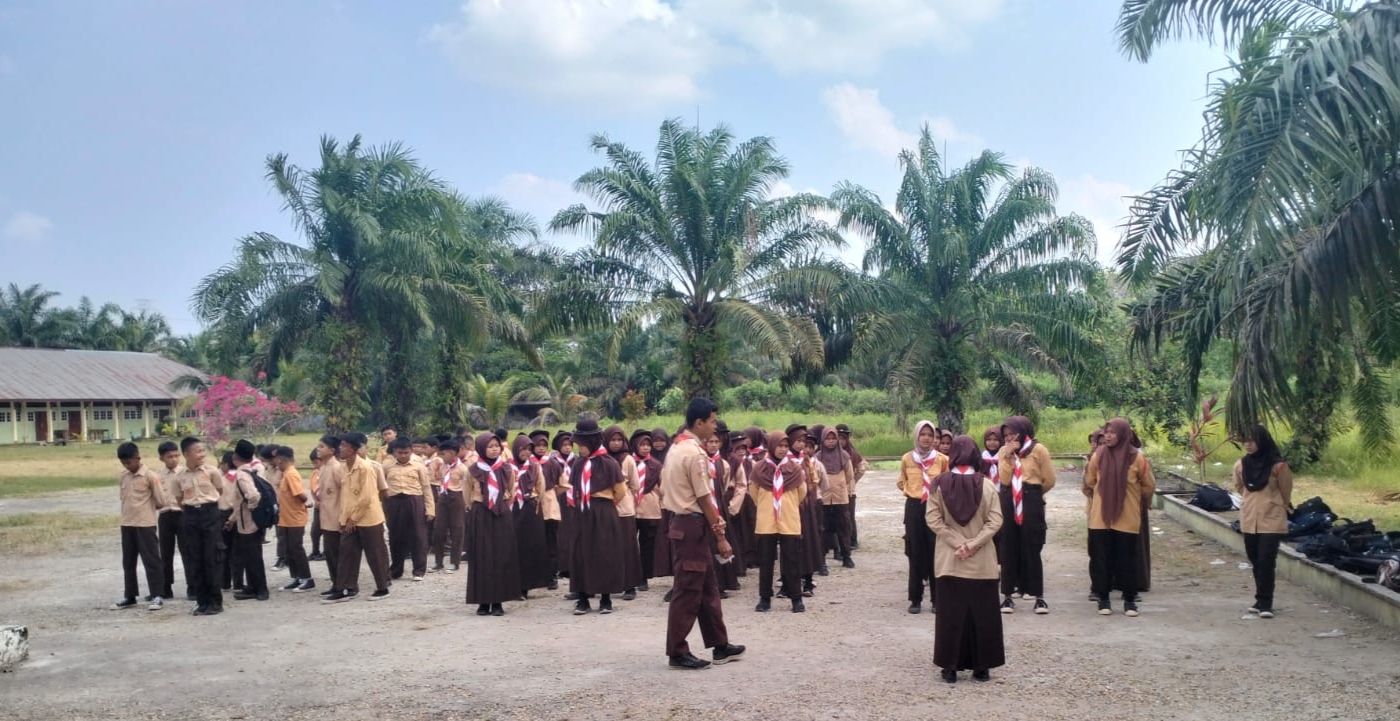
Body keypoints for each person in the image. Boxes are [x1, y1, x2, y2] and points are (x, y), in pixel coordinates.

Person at [663, 397, 745, 669]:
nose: (714, 426)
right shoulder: (695, 454)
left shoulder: (676, 447)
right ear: (699, 423)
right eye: (711, 421)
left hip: (686, 525)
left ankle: (720, 645)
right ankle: (677, 651)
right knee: (688, 591)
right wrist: (720, 536)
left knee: (708, 588)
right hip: (691, 525)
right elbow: (704, 498)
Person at [926, 436, 1005, 683]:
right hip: (981, 561)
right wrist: (972, 544)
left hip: (950, 560)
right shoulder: (987, 485)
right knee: (983, 615)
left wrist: (957, 543)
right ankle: (982, 667)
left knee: (950, 616)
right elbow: (996, 520)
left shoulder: (939, 485)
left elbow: (933, 519)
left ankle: (950, 666)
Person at [1083, 418, 1155, 617]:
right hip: (1100, 518)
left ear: (1123, 434)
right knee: (1101, 560)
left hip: (1126, 518)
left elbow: (1148, 485)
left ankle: (1130, 601)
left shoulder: (1136, 458)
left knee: (1127, 560)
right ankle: (1103, 599)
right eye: (1106, 432)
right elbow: (1090, 480)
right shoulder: (1098, 455)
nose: (1107, 436)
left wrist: (1131, 497)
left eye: (1113, 432)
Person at [566, 418, 627, 615]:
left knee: (604, 553)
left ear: (592, 442)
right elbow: (572, 487)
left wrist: (604, 505)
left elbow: (620, 491)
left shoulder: (609, 463)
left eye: (582, 444)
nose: (579, 448)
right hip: (582, 511)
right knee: (581, 552)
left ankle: (605, 598)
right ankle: (583, 598)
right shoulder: (578, 464)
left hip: (603, 510)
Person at [997, 415, 1056, 614]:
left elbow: (1049, 479)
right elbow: (1004, 480)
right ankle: (1007, 596)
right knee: (1008, 547)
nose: (1009, 438)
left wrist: (1032, 494)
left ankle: (1038, 597)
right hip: (1008, 500)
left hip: (1030, 499)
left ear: (1023, 432)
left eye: (1013, 434)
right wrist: (1008, 456)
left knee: (1032, 546)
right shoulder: (1004, 452)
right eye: (1006, 435)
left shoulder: (1038, 450)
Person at [325, 432, 392, 603]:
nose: (340, 448)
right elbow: (346, 497)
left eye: (344, 446)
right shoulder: (342, 467)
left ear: (354, 449)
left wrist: (353, 518)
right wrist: (344, 519)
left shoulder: (365, 468)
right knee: (347, 553)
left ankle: (382, 588)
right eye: (341, 445)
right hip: (350, 519)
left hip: (369, 518)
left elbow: (367, 497)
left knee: (375, 554)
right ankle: (347, 588)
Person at [1234, 425, 1292, 619]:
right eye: (1245, 441)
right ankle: (1260, 599)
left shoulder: (1278, 466)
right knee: (1255, 559)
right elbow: (1240, 487)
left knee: (1266, 560)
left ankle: (1266, 602)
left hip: (1272, 517)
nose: (1248, 445)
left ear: (1262, 441)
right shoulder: (1241, 465)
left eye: (1252, 441)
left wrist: (1276, 503)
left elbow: (1286, 490)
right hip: (1250, 517)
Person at [750, 429, 806, 614]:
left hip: (789, 520)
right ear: (771, 446)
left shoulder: (795, 469)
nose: (783, 449)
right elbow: (754, 493)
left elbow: (802, 492)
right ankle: (764, 598)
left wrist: (786, 505)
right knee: (766, 561)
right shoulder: (759, 468)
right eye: (779, 446)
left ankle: (796, 598)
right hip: (766, 521)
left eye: (785, 446)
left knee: (792, 561)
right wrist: (767, 506)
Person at [466, 432, 521, 616]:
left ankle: (498, 602)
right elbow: (466, 494)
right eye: (490, 446)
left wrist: (501, 505)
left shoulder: (507, 468)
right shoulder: (472, 470)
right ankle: (483, 601)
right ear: (481, 448)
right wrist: (478, 508)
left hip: (501, 513)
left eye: (497, 446)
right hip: (480, 513)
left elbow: (512, 491)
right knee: (482, 556)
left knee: (501, 555)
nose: (494, 449)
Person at [113, 442, 171, 611]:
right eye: (123, 463)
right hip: (127, 523)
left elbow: (160, 501)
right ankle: (130, 595)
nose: (127, 466)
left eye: (129, 462)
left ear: (138, 458)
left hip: (145, 524)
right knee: (128, 562)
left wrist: (145, 510)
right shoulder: (124, 476)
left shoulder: (150, 476)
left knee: (151, 560)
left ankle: (157, 595)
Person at [898, 420, 946, 614]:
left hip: (935, 507)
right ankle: (915, 599)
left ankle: (937, 599)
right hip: (914, 507)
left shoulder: (942, 459)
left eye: (930, 435)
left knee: (936, 552)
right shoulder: (907, 458)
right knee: (915, 552)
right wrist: (914, 491)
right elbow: (902, 481)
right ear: (917, 436)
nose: (926, 438)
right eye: (923, 434)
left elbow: (947, 482)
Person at [175, 437, 226, 615]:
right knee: (195, 559)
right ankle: (202, 602)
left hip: (210, 514)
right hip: (190, 516)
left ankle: (215, 602)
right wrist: (192, 511)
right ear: (186, 454)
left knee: (212, 558)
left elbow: (219, 491)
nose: (202, 454)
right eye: (198, 451)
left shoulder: (212, 471)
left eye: (203, 451)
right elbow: (179, 499)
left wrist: (205, 507)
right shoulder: (179, 476)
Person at [222, 439, 268, 602]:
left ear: (235, 457)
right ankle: (253, 587)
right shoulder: (252, 470)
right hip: (246, 521)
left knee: (253, 557)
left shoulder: (241, 475)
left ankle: (261, 589)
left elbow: (253, 496)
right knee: (250, 556)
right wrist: (233, 519)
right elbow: (240, 502)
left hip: (249, 523)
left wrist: (251, 509)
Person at [384, 437, 434, 582]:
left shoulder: (418, 465)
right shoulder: (386, 466)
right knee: (396, 537)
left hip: (414, 501)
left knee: (418, 536)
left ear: (411, 451)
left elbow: (426, 488)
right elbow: (380, 487)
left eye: (406, 452)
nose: (403, 455)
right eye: (400, 453)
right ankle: (396, 570)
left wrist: (430, 509)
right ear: (394, 452)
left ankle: (419, 570)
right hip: (394, 502)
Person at [605, 425, 645, 600]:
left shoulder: (628, 459)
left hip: (624, 510)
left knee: (627, 548)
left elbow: (635, 485)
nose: (616, 443)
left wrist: (622, 493)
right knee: (606, 548)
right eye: (612, 440)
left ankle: (630, 586)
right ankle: (608, 584)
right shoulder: (602, 458)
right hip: (605, 509)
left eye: (619, 440)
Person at [510, 434, 553, 596]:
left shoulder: (535, 467)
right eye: (523, 449)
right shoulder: (507, 467)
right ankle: (512, 584)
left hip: (529, 509)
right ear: (516, 449)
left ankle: (526, 586)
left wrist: (534, 503)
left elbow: (541, 488)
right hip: (512, 508)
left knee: (529, 547)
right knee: (512, 546)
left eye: (529, 449)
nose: (526, 452)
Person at [272, 446, 315, 593]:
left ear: (280, 460)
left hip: (295, 518)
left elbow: (300, 495)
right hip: (286, 518)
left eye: (276, 461)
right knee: (290, 550)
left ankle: (307, 579)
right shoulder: (286, 474)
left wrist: (305, 502)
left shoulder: (291, 474)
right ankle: (297, 577)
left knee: (296, 548)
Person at [813, 424, 855, 570]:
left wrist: (839, 485)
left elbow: (849, 475)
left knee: (844, 528)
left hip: (840, 498)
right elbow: (815, 476)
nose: (831, 441)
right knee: (822, 529)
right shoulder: (817, 457)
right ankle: (822, 561)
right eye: (828, 438)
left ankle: (846, 556)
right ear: (822, 440)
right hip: (823, 499)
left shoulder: (844, 456)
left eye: (833, 438)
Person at [704, 431, 741, 595]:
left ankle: (722, 583)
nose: (713, 445)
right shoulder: (700, 462)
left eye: (716, 442)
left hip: (719, 506)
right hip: (705, 506)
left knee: (721, 542)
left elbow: (725, 485)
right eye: (710, 442)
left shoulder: (723, 464)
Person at [154, 441, 188, 602]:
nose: (174, 459)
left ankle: (192, 586)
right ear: (162, 458)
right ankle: (165, 588)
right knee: (165, 553)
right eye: (170, 457)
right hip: (165, 515)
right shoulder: (157, 476)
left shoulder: (185, 473)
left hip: (182, 515)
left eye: (176, 456)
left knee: (187, 551)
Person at [531, 430, 565, 589]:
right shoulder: (527, 463)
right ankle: (537, 576)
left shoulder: (553, 463)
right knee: (535, 542)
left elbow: (563, 484)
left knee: (551, 542)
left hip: (550, 506)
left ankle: (552, 576)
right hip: (533, 507)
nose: (541, 448)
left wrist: (551, 494)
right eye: (537, 445)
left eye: (544, 445)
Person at [631, 429, 662, 591]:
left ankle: (644, 577)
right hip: (630, 509)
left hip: (650, 509)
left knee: (647, 545)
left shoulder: (656, 465)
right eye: (642, 445)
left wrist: (662, 505)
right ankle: (630, 575)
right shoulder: (629, 462)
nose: (645, 448)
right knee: (629, 544)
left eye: (648, 445)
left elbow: (663, 487)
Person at [432, 440, 470, 574]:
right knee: (439, 529)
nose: (443, 457)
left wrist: (466, 503)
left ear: (453, 453)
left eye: (445, 454)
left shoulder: (463, 469)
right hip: (444, 496)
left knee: (457, 530)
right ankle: (438, 561)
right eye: (442, 454)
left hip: (457, 497)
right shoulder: (443, 466)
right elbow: (440, 480)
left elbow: (467, 486)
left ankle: (455, 562)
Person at [313, 435, 344, 596]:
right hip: (326, 517)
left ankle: (343, 586)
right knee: (330, 553)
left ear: (332, 450)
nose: (318, 449)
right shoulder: (323, 467)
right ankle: (335, 583)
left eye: (322, 446)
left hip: (336, 518)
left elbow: (344, 493)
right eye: (318, 446)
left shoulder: (337, 468)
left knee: (337, 554)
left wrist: (343, 517)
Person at [836, 424, 867, 550]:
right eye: (838, 438)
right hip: (835, 491)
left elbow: (861, 469)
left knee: (849, 516)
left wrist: (853, 481)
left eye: (843, 438)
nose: (840, 441)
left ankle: (852, 540)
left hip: (849, 491)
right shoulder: (829, 454)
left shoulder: (852, 453)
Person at [308, 448, 325, 561]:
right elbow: (312, 489)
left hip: (328, 507)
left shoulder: (327, 472)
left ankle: (327, 551)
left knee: (327, 530)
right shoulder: (314, 473)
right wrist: (316, 501)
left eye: (316, 462)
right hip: (318, 507)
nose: (315, 465)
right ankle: (315, 551)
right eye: (313, 463)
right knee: (314, 531)